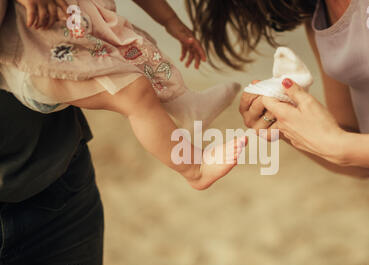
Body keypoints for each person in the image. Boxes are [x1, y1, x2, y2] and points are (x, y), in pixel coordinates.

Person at [185, 0, 369, 265]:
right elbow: (358, 159)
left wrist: (342, 146)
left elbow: (348, 146)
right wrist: (286, 126)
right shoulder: (321, 16)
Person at [0, 0, 246, 192]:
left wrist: (170, 21)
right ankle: (194, 169)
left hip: (77, 34)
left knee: (136, 51)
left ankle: (186, 105)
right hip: (36, 59)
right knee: (134, 92)